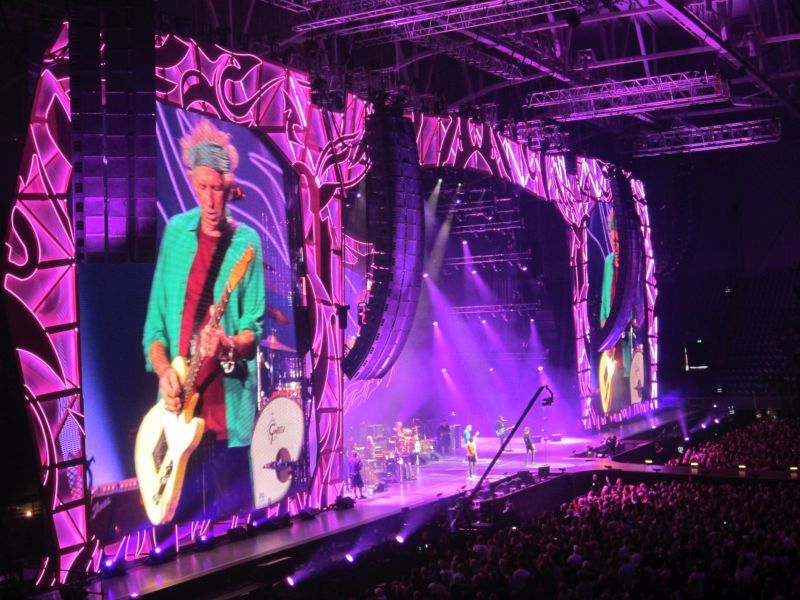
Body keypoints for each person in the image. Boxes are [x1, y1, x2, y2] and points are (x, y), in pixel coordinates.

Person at [142, 118, 265, 519]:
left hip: (227, 419)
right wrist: (164, 370)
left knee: (236, 526)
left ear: (230, 187)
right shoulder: (176, 233)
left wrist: (227, 346)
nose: (210, 201)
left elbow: (253, 330)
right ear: (191, 182)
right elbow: (154, 329)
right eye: (202, 188)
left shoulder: (246, 242)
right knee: (179, 531)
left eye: (217, 189)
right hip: (177, 414)